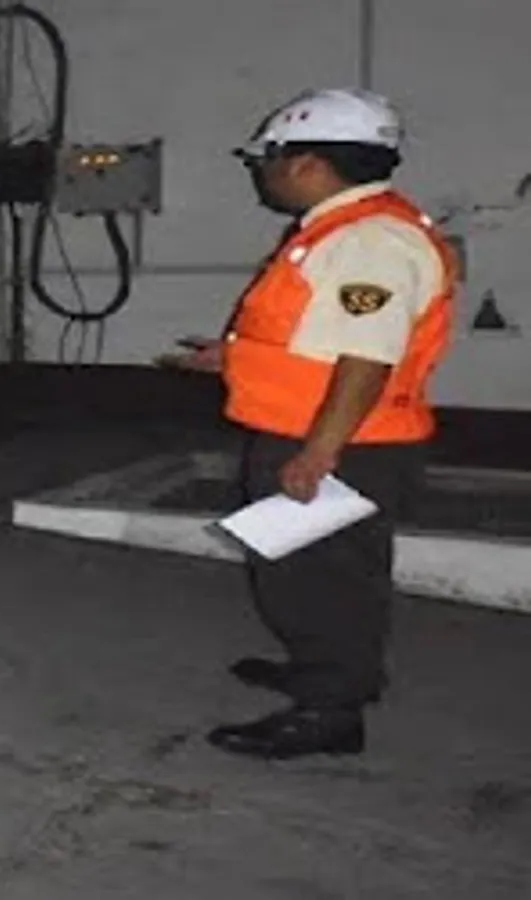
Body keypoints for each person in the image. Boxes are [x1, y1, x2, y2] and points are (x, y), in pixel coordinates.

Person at [157, 88, 454, 759]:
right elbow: (319, 340)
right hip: (316, 432)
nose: (262, 173)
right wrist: (233, 356)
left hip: (341, 445)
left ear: (308, 164)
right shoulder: (343, 230)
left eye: (266, 160)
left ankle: (330, 713)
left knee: (322, 583)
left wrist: (319, 453)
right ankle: (324, 670)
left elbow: (367, 357)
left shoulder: (369, 240)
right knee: (306, 574)